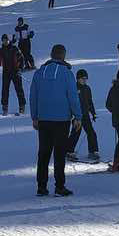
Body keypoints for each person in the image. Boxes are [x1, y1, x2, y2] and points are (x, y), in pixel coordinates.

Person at [29, 44, 82, 196]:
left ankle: (41, 186)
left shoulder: (39, 73)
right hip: (61, 120)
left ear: (51, 55)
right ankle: (59, 186)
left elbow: (33, 96)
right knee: (59, 154)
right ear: (63, 56)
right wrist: (78, 116)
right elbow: (73, 96)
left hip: (44, 119)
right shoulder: (66, 73)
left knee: (44, 153)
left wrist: (35, 116)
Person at [66, 68, 100, 162]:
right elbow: (71, 102)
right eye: (82, 78)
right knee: (76, 132)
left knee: (91, 132)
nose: (84, 80)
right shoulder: (74, 88)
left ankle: (93, 151)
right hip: (77, 116)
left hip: (85, 115)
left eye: (85, 78)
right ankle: (69, 151)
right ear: (77, 79)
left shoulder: (87, 88)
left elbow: (90, 102)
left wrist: (93, 113)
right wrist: (71, 114)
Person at [0, 34, 26, 116]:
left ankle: (22, 107)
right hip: (6, 72)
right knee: (5, 90)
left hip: (16, 71)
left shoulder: (15, 48)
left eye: (6, 40)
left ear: (9, 40)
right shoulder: (1, 50)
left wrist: (20, 69)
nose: (5, 41)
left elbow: (22, 59)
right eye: (3, 40)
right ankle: (5, 107)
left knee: (19, 89)